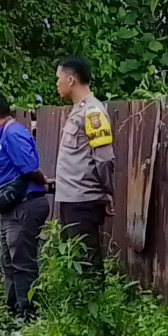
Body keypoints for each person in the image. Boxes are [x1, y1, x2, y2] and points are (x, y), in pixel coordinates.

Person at [0, 93, 49, 322]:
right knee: (9, 260)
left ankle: (27, 312)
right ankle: (13, 309)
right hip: (12, 208)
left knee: (22, 261)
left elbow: (30, 168)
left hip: (25, 205)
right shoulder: (5, 135)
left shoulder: (13, 134)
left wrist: (43, 182)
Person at [53, 57, 115, 275]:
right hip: (70, 196)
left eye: (58, 78)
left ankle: (95, 305)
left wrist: (106, 191)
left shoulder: (93, 112)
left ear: (71, 80)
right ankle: (78, 306)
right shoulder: (77, 110)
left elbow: (104, 158)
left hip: (83, 198)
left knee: (87, 261)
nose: (56, 84)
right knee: (74, 259)